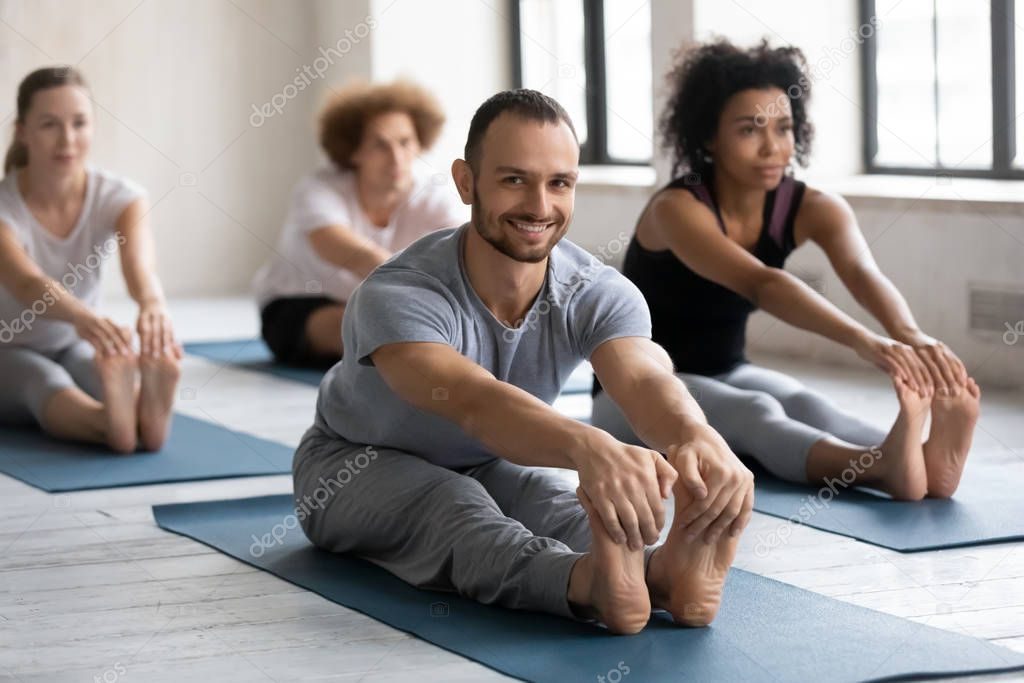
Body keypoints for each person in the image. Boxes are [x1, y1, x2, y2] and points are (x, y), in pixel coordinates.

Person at [292, 89, 756, 633]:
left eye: (559, 183)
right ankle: (585, 587)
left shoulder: (596, 290)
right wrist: (589, 446)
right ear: (466, 182)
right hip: (349, 464)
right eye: (515, 180)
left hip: (488, 460)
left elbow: (644, 375)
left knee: (556, 503)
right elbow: (471, 402)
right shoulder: (399, 292)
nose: (540, 206)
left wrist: (692, 435)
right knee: (455, 506)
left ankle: (663, 573)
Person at [592, 40, 980, 501]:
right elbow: (761, 283)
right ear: (710, 137)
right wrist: (867, 343)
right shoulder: (677, 209)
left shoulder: (813, 207)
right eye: (749, 130)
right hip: (631, 394)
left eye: (784, 128)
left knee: (803, 401)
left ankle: (916, 455)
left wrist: (910, 334)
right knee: (755, 411)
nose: (772, 147)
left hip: (726, 370)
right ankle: (878, 468)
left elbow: (860, 271)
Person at [0, 66, 181, 453]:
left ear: (93, 127)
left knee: (103, 369)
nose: (67, 139)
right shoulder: (5, 206)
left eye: (79, 123)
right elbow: (26, 283)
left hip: (73, 343)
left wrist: (152, 305)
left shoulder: (121, 196)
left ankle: (137, 419)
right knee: (42, 381)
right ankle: (117, 424)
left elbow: (138, 265)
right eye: (49, 124)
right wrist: (86, 318)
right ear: (22, 131)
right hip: (7, 348)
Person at [252, 79, 467, 366]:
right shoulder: (319, 189)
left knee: (399, 327)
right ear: (354, 151)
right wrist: (415, 294)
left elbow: (464, 255)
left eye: (405, 142)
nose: (396, 157)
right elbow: (344, 249)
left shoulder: (433, 196)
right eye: (380, 145)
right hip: (302, 305)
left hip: (393, 304)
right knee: (373, 327)